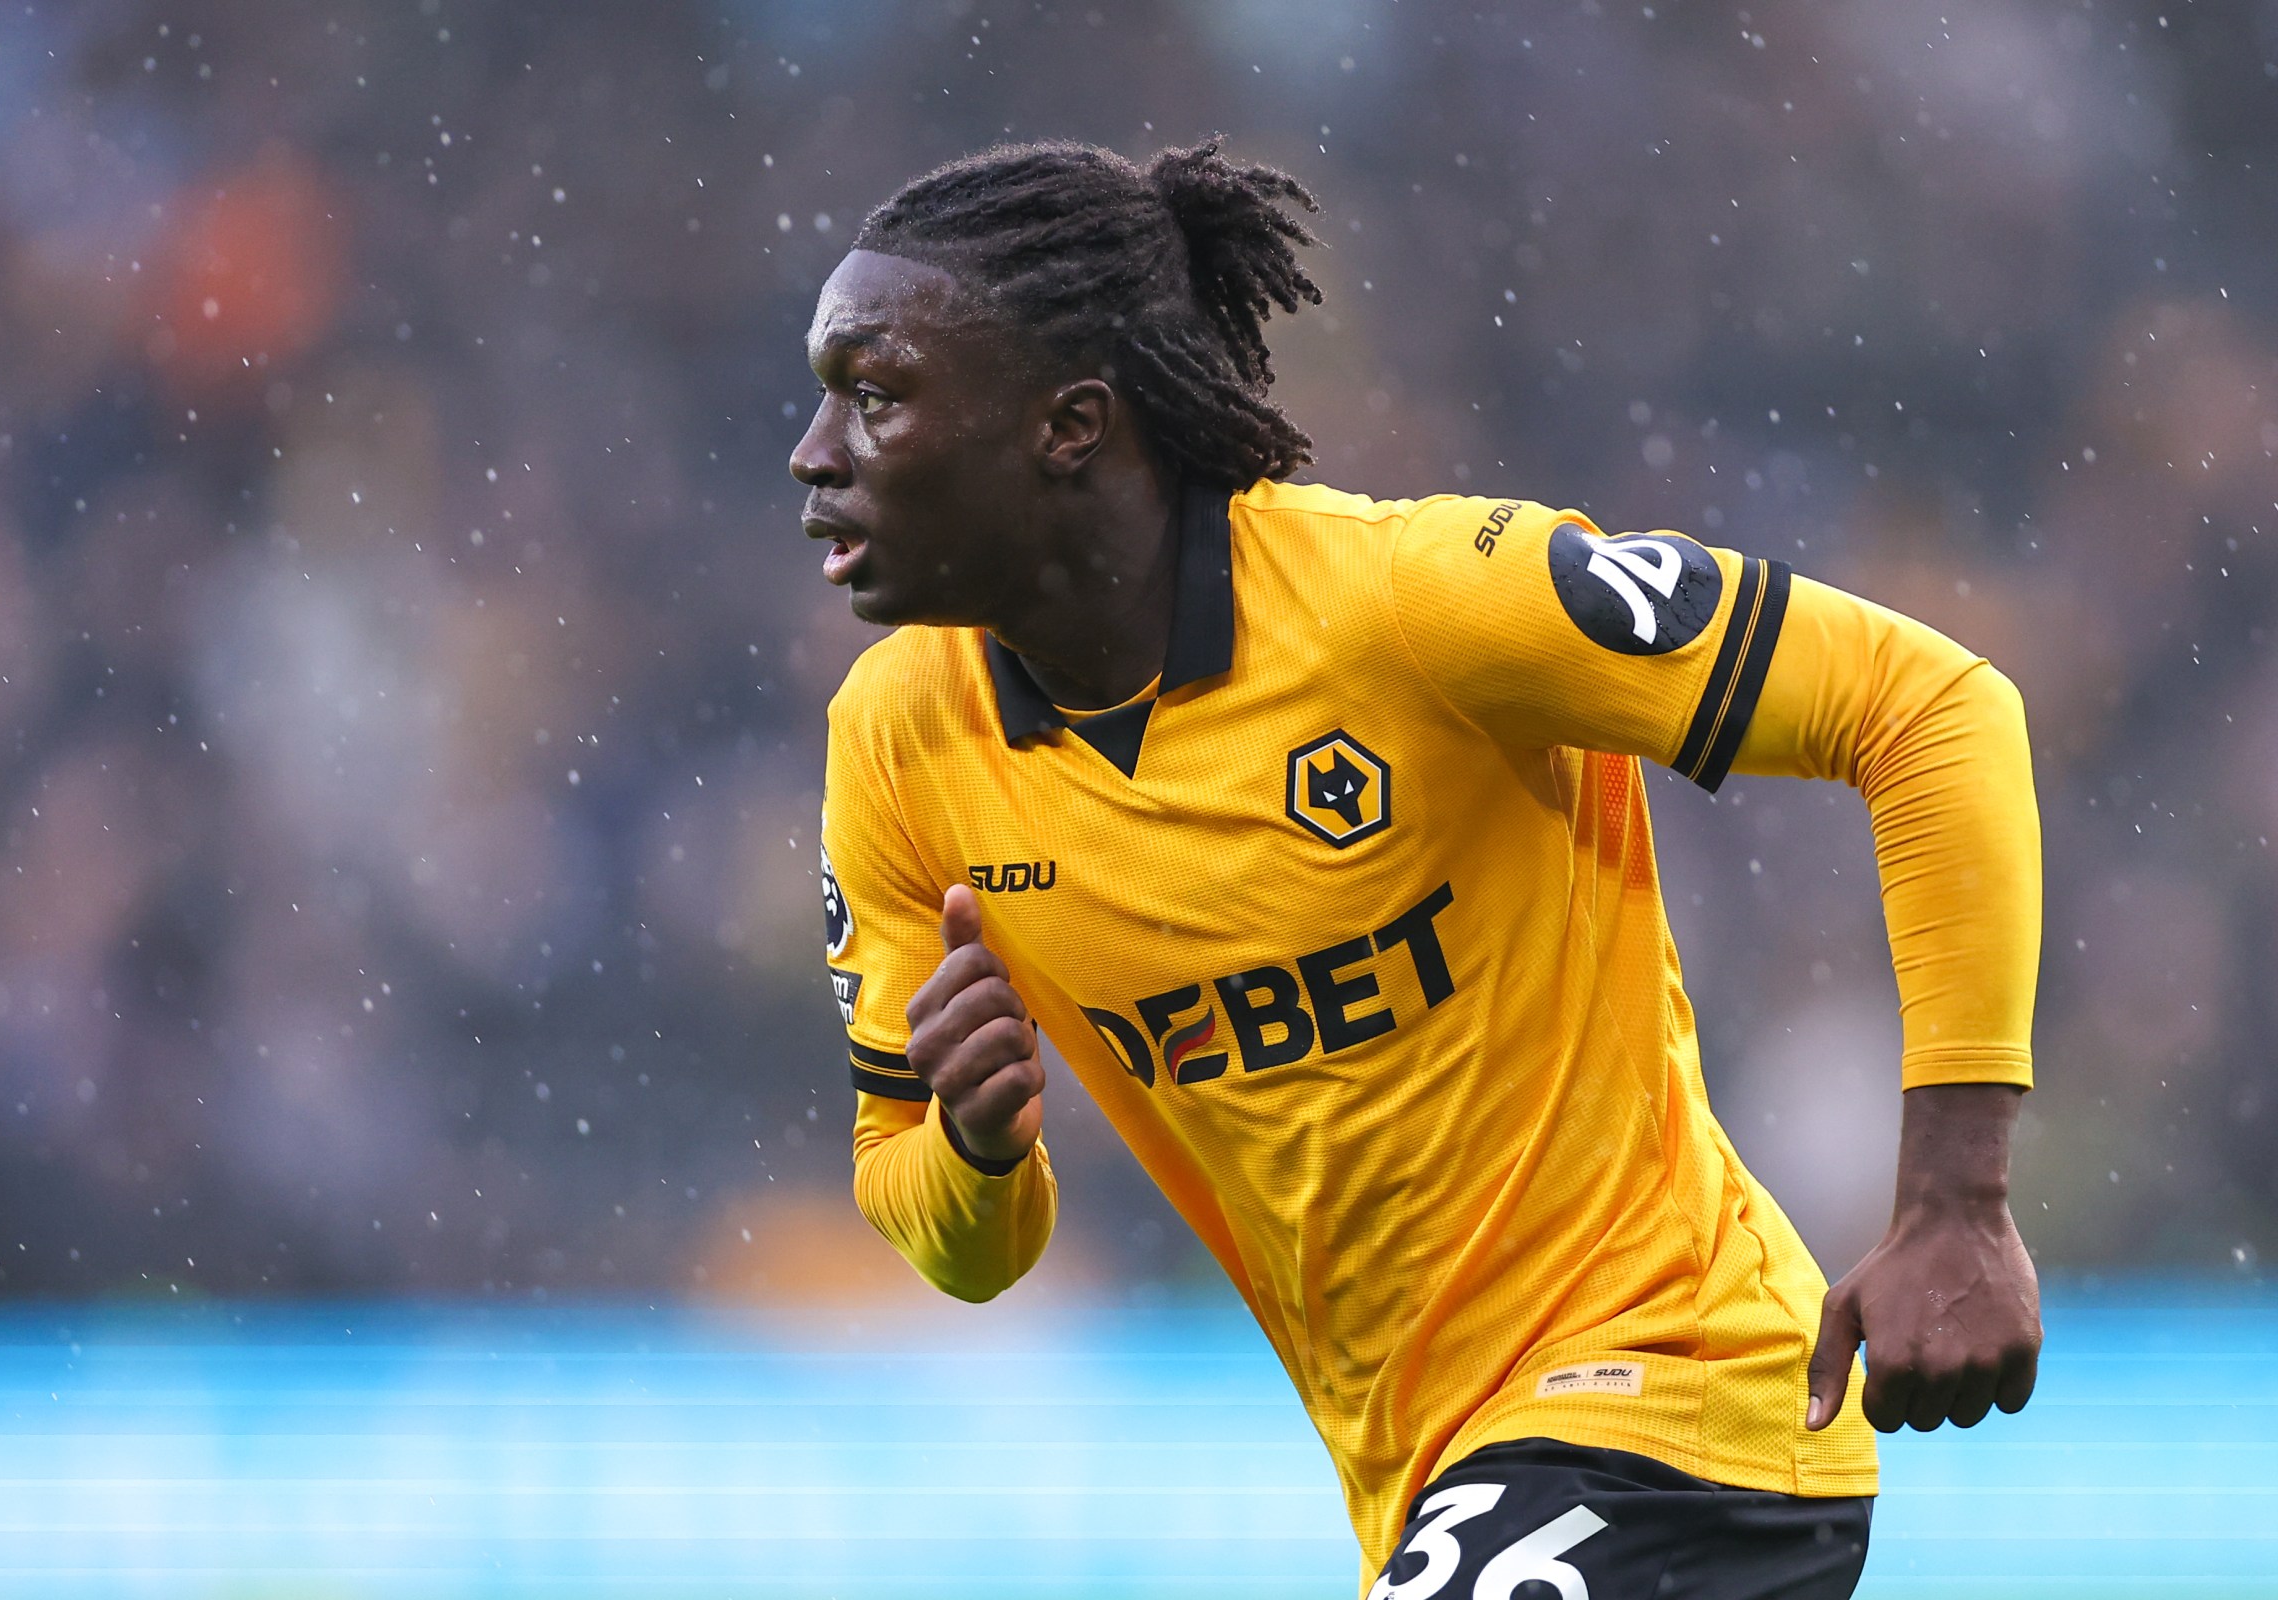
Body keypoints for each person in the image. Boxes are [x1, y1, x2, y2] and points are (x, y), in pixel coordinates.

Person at [791, 137, 2041, 1599]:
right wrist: (979, 1149)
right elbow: (953, 1241)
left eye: (874, 395)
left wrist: (1956, 1197)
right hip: (1433, 1480)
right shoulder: (898, 745)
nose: (816, 451)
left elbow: (1931, 708)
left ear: (1068, 425)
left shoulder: (1423, 604)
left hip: (1675, 1400)